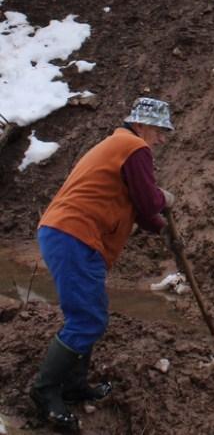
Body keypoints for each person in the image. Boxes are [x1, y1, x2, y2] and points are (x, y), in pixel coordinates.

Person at [30, 97, 175, 430]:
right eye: (160, 130)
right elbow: (149, 199)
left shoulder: (118, 145)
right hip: (74, 235)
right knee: (87, 318)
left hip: (71, 235)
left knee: (90, 314)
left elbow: (138, 206)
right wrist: (165, 200)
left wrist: (159, 225)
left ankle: (74, 385)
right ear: (141, 124)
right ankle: (45, 391)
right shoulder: (133, 147)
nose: (162, 138)